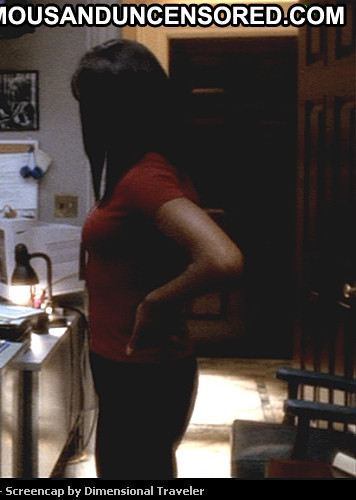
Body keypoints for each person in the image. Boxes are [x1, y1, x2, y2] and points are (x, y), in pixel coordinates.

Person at [70, 39, 243, 479]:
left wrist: (156, 302)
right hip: (130, 364)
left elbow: (223, 258)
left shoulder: (145, 176)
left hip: (141, 370)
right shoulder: (142, 169)